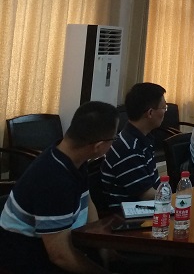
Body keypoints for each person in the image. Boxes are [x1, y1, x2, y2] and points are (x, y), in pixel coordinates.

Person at [0, 101, 119, 273]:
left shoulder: (72, 157)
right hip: (29, 260)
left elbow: (87, 202)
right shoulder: (53, 178)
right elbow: (60, 256)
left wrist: (103, 247)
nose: (113, 143)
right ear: (98, 146)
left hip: (66, 245)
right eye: (113, 139)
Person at [101, 82, 166, 208]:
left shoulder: (142, 137)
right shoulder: (128, 147)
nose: (165, 112)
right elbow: (145, 194)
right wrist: (174, 196)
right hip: (127, 213)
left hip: (148, 206)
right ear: (150, 113)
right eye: (164, 108)